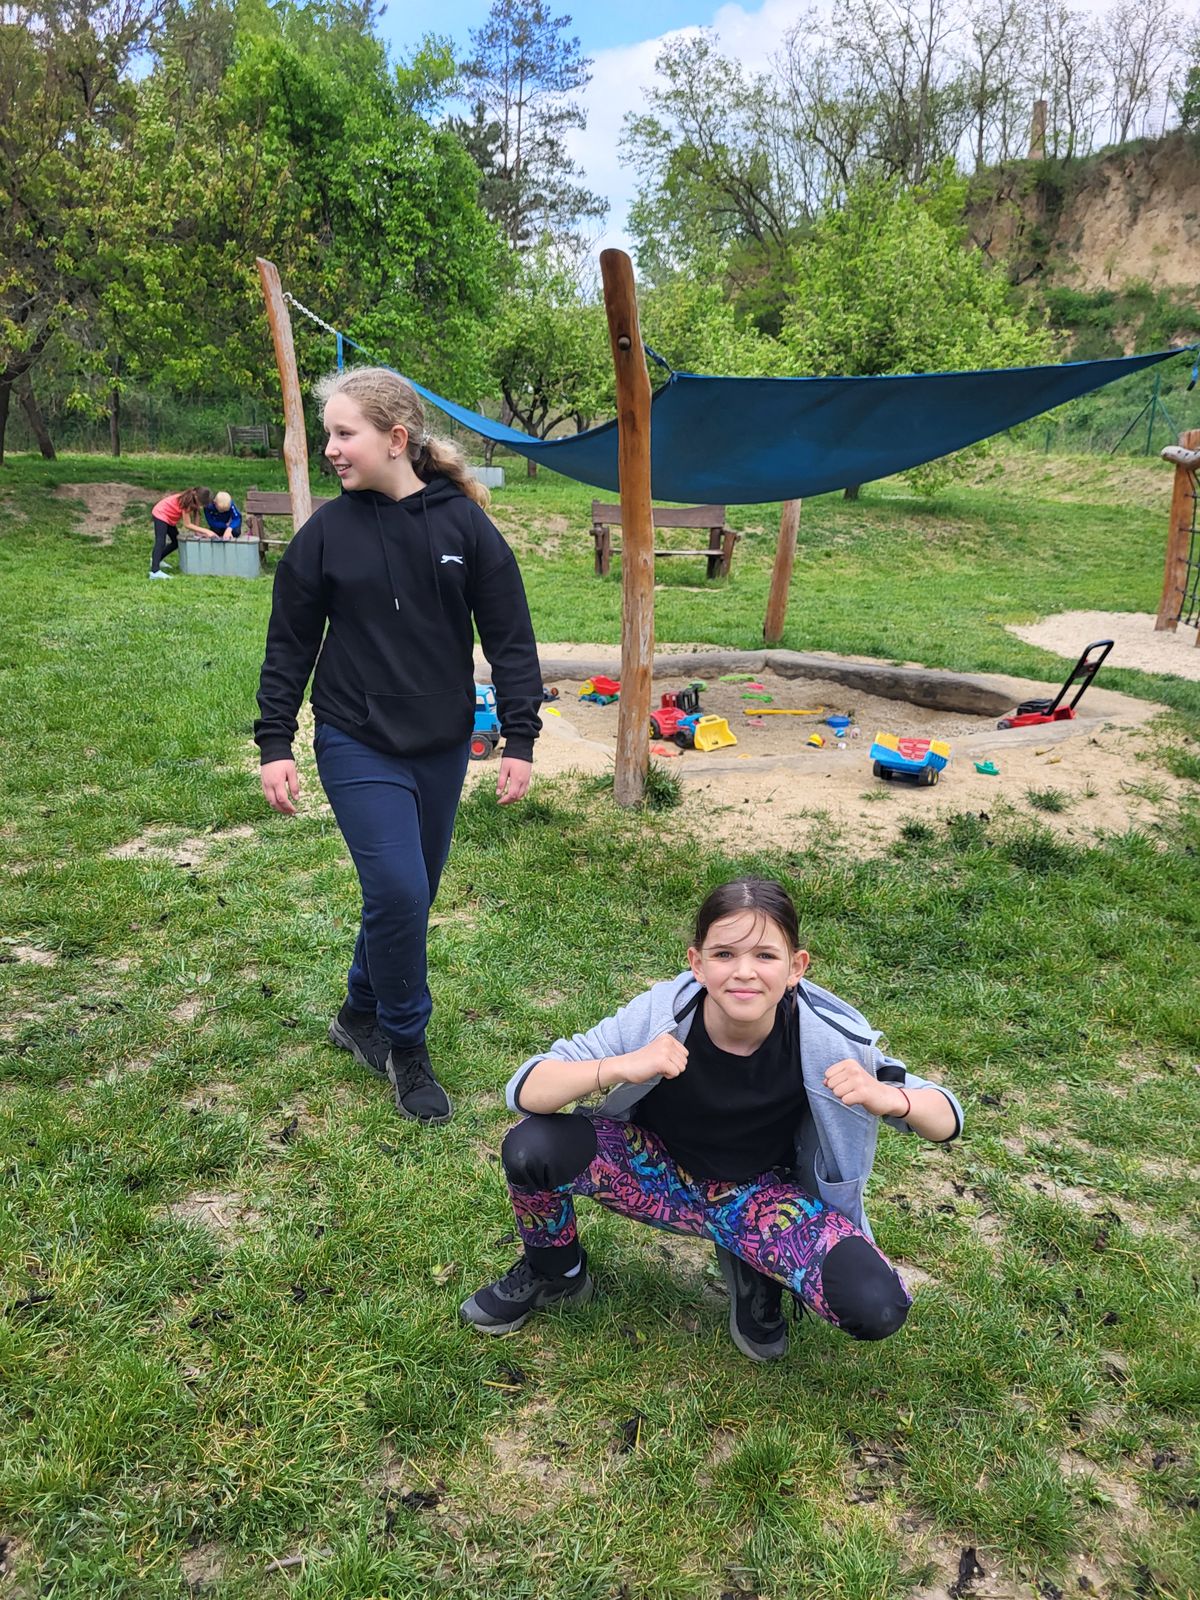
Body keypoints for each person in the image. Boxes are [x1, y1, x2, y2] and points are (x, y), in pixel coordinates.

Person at [461, 877, 963, 1361]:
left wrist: (891, 1098)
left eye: (765, 955)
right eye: (724, 954)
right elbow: (526, 1088)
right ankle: (557, 1273)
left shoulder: (830, 1038)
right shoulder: (664, 1013)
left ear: (796, 967)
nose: (744, 972)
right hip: (654, 1172)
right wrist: (618, 1066)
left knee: (877, 1305)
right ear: (697, 964)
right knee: (532, 1148)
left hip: (760, 1200)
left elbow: (947, 1120)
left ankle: (753, 1268)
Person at [255, 366, 542, 1125]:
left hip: (442, 742)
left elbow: (510, 637)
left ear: (395, 438)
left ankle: (358, 1012)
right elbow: (289, 645)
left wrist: (520, 735)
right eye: (328, 433)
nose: (330, 448)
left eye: (343, 433)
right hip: (355, 736)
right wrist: (276, 742)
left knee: (409, 895)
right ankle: (405, 1047)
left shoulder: (464, 526)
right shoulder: (325, 535)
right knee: (399, 892)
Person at [149, 487, 212, 578]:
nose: (201, 506)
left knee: (176, 541)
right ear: (197, 497)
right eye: (202, 503)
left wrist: (197, 532)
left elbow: (196, 514)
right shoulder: (187, 501)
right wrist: (207, 531)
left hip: (168, 518)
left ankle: (156, 560)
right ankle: (154, 572)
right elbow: (187, 524)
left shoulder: (194, 500)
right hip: (161, 514)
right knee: (160, 542)